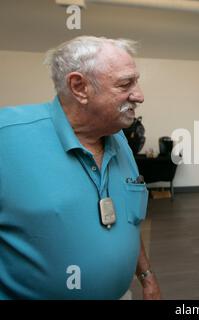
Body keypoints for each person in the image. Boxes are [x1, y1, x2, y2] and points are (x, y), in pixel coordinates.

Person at [0, 36, 161, 299]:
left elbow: (129, 221)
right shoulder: (6, 138)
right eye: (125, 84)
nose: (139, 95)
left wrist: (147, 276)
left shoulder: (119, 138)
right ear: (79, 87)